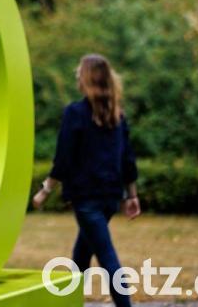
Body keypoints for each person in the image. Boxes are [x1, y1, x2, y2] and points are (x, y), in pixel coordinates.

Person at [32, 54, 141, 307]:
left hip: (87, 199)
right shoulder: (117, 116)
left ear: (86, 79)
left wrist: (45, 190)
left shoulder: (75, 113)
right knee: (81, 254)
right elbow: (128, 159)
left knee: (107, 258)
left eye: (79, 72)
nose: (76, 76)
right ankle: (70, 302)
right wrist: (132, 195)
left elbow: (64, 157)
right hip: (110, 198)